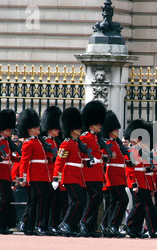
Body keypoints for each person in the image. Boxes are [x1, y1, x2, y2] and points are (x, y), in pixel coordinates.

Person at [17, 108, 53, 236]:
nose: (39, 128)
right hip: (35, 176)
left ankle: (29, 226)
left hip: (42, 175)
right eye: (35, 126)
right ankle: (40, 225)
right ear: (29, 129)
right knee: (43, 197)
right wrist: (23, 177)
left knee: (36, 200)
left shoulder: (38, 141)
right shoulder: (28, 143)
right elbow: (24, 161)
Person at [53, 107, 87, 237]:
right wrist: (56, 178)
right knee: (78, 200)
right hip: (69, 177)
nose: (80, 129)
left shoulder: (76, 143)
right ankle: (65, 223)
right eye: (77, 128)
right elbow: (59, 162)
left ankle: (72, 224)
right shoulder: (66, 144)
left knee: (80, 201)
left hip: (77, 177)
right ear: (71, 129)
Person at [124, 119, 157, 238]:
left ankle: (137, 229)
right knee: (139, 206)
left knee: (144, 206)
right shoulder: (131, 151)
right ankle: (131, 225)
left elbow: (145, 168)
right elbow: (130, 170)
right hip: (136, 183)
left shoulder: (141, 152)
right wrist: (134, 185)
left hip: (144, 182)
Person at [79, 100, 107, 237]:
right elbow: (80, 154)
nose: (100, 126)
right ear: (92, 123)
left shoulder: (95, 138)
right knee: (94, 197)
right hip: (88, 172)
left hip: (96, 173)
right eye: (98, 124)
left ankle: (90, 225)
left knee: (97, 198)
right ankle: (84, 223)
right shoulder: (85, 137)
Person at [100, 110, 130, 238]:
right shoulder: (106, 144)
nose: (118, 131)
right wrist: (108, 156)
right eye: (115, 129)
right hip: (112, 176)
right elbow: (102, 157)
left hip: (118, 176)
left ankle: (105, 224)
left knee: (114, 202)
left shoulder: (116, 144)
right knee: (123, 199)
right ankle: (113, 225)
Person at [0, 109, 18, 234]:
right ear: (2, 129)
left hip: (6, 172)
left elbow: (11, 157)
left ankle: (3, 223)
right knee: (3, 197)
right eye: (8, 129)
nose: (10, 131)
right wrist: (0, 157)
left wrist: (19, 156)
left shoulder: (7, 141)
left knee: (7, 198)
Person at [40, 105, 66, 235]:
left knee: (58, 200)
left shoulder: (56, 142)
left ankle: (54, 224)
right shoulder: (45, 141)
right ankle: (46, 224)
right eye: (55, 127)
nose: (58, 129)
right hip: (48, 174)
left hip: (56, 175)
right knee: (49, 200)